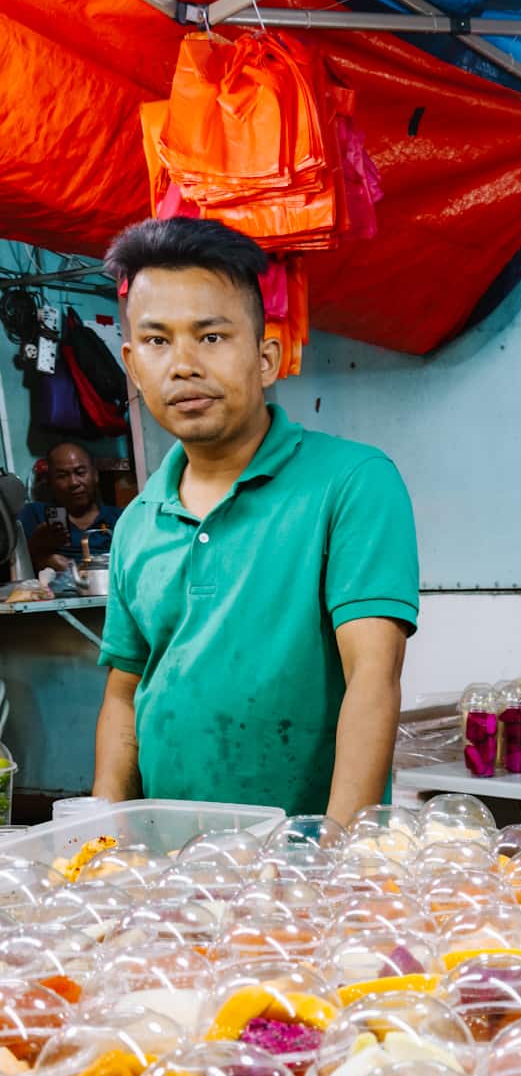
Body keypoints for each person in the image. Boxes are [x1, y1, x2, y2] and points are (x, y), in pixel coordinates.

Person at [92, 217, 419, 822]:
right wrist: (103, 835)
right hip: (172, 858)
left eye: (211, 337)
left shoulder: (351, 483)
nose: (183, 365)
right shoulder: (138, 521)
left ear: (267, 357)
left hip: (303, 863)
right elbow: (123, 695)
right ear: (133, 366)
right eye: (158, 342)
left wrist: (338, 855)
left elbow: (374, 675)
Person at [20, 442, 120, 572]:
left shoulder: (119, 518)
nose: (73, 483)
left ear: (95, 475)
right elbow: (15, 565)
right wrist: (37, 546)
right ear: (50, 481)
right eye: (62, 476)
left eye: (80, 472)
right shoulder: (34, 514)